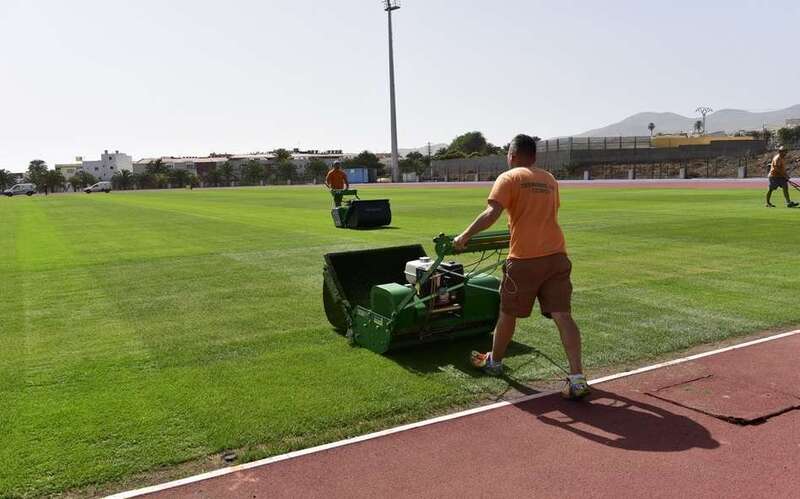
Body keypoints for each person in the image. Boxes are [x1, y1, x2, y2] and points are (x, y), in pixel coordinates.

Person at [453, 134, 590, 400]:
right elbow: (542, 215)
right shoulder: (549, 179)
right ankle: (577, 378)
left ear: (512, 155)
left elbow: (491, 213)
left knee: (508, 313)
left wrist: (464, 236)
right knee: (563, 316)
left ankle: (494, 362)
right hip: (557, 256)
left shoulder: (509, 177)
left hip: (525, 259)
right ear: (535, 156)